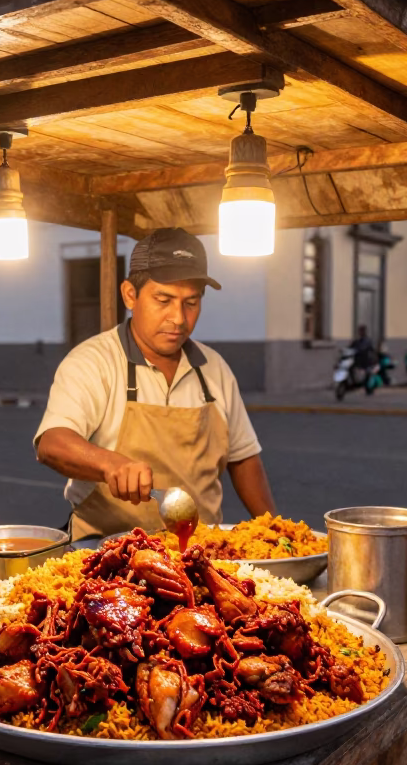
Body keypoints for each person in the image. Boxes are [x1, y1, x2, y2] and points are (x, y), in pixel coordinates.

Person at [35, 227, 276, 540]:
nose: (178, 318)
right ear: (130, 295)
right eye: (163, 300)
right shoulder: (94, 361)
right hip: (106, 547)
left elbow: (243, 457)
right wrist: (110, 464)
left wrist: (274, 530)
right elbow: (51, 443)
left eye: (191, 303)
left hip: (200, 548)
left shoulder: (214, 368)